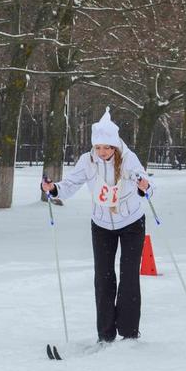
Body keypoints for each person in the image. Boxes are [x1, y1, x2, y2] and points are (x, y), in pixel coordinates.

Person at [41, 110, 154, 343]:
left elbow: (147, 185)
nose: (102, 152)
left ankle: (129, 332)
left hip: (132, 222)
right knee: (103, 277)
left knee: (129, 275)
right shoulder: (87, 161)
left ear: (115, 146)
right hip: (101, 224)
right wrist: (53, 189)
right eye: (98, 147)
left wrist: (144, 186)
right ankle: (105, 334)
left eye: (107, 148)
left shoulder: (129, 159)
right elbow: (70, 185)